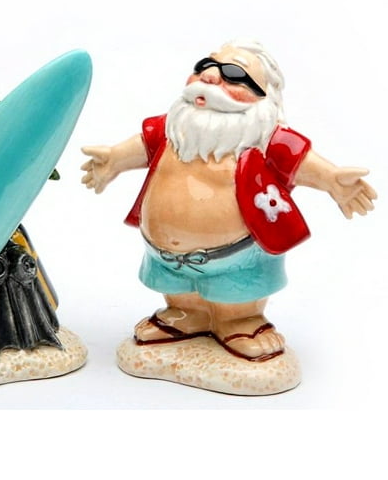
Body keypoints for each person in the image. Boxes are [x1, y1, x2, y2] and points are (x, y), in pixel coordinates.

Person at [81, 39, 376, 361]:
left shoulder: (266, 138)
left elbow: (300, 161)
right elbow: (140, 145)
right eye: (204, 67)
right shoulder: (173, 128)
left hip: (239, 256)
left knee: (236, 295)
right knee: (178, 290)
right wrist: (114, 159)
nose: (209, 77)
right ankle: (185, 314)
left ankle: (240, 322)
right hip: (165, 254)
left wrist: (333, 179)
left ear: (263, 94)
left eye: (232, 74)